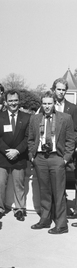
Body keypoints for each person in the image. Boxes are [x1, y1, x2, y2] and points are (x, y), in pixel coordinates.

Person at [28, 91, 74, 234]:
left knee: (58, 192)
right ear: (41, 104)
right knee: (44, 191)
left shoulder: (65, 118)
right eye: (44, 103)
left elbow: (70, 140)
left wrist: (65, 159)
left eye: (49, 103)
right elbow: (30, 139)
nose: (47, 106)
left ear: (54, 103)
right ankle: (45, 219)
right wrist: (32, 156)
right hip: (40, 158)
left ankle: (61, 224)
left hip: (57, 158)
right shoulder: (35, 119)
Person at [0, 89, 30, 221]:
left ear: (19, 101)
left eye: (15, 100)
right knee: (0, 184)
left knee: (19, 184)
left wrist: (17, 151)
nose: (13, 103)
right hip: (2, 156)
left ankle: (19, 209)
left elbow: (28, 138)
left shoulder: (26, 117)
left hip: (19, 156)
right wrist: (8, 151)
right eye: (10, 101)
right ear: (6, 102)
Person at [50, 78, 77, 220]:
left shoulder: (72, 108)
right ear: (54, 89)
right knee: (53, 183)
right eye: (58, 89)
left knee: (65, 181)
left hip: (66, 153)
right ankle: (54, 211)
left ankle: (64, 211)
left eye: (63, 90)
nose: (61, 92)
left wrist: (69, 150)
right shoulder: (47, 105)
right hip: (50, 151)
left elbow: (75, 131)